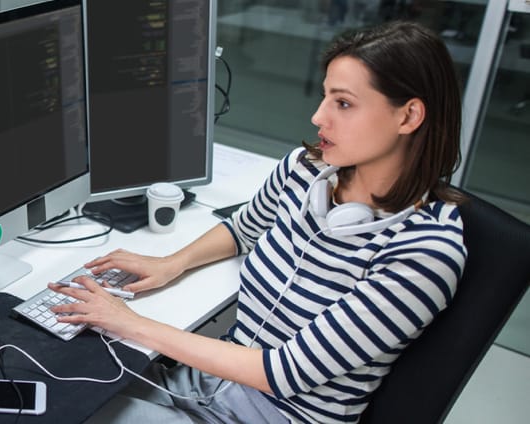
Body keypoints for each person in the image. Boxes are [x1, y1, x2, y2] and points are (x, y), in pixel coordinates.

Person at [54, 21, 468, 424]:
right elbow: (243, 229)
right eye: (324, 97)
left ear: (409, 116)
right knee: (53, 386)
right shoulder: (307, 170)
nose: (318, 117)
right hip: (206, 382)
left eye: (343, 103)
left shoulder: (425, 252)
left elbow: (283, 371)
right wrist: (171, 264)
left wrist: (131, 324)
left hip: (277, 412)